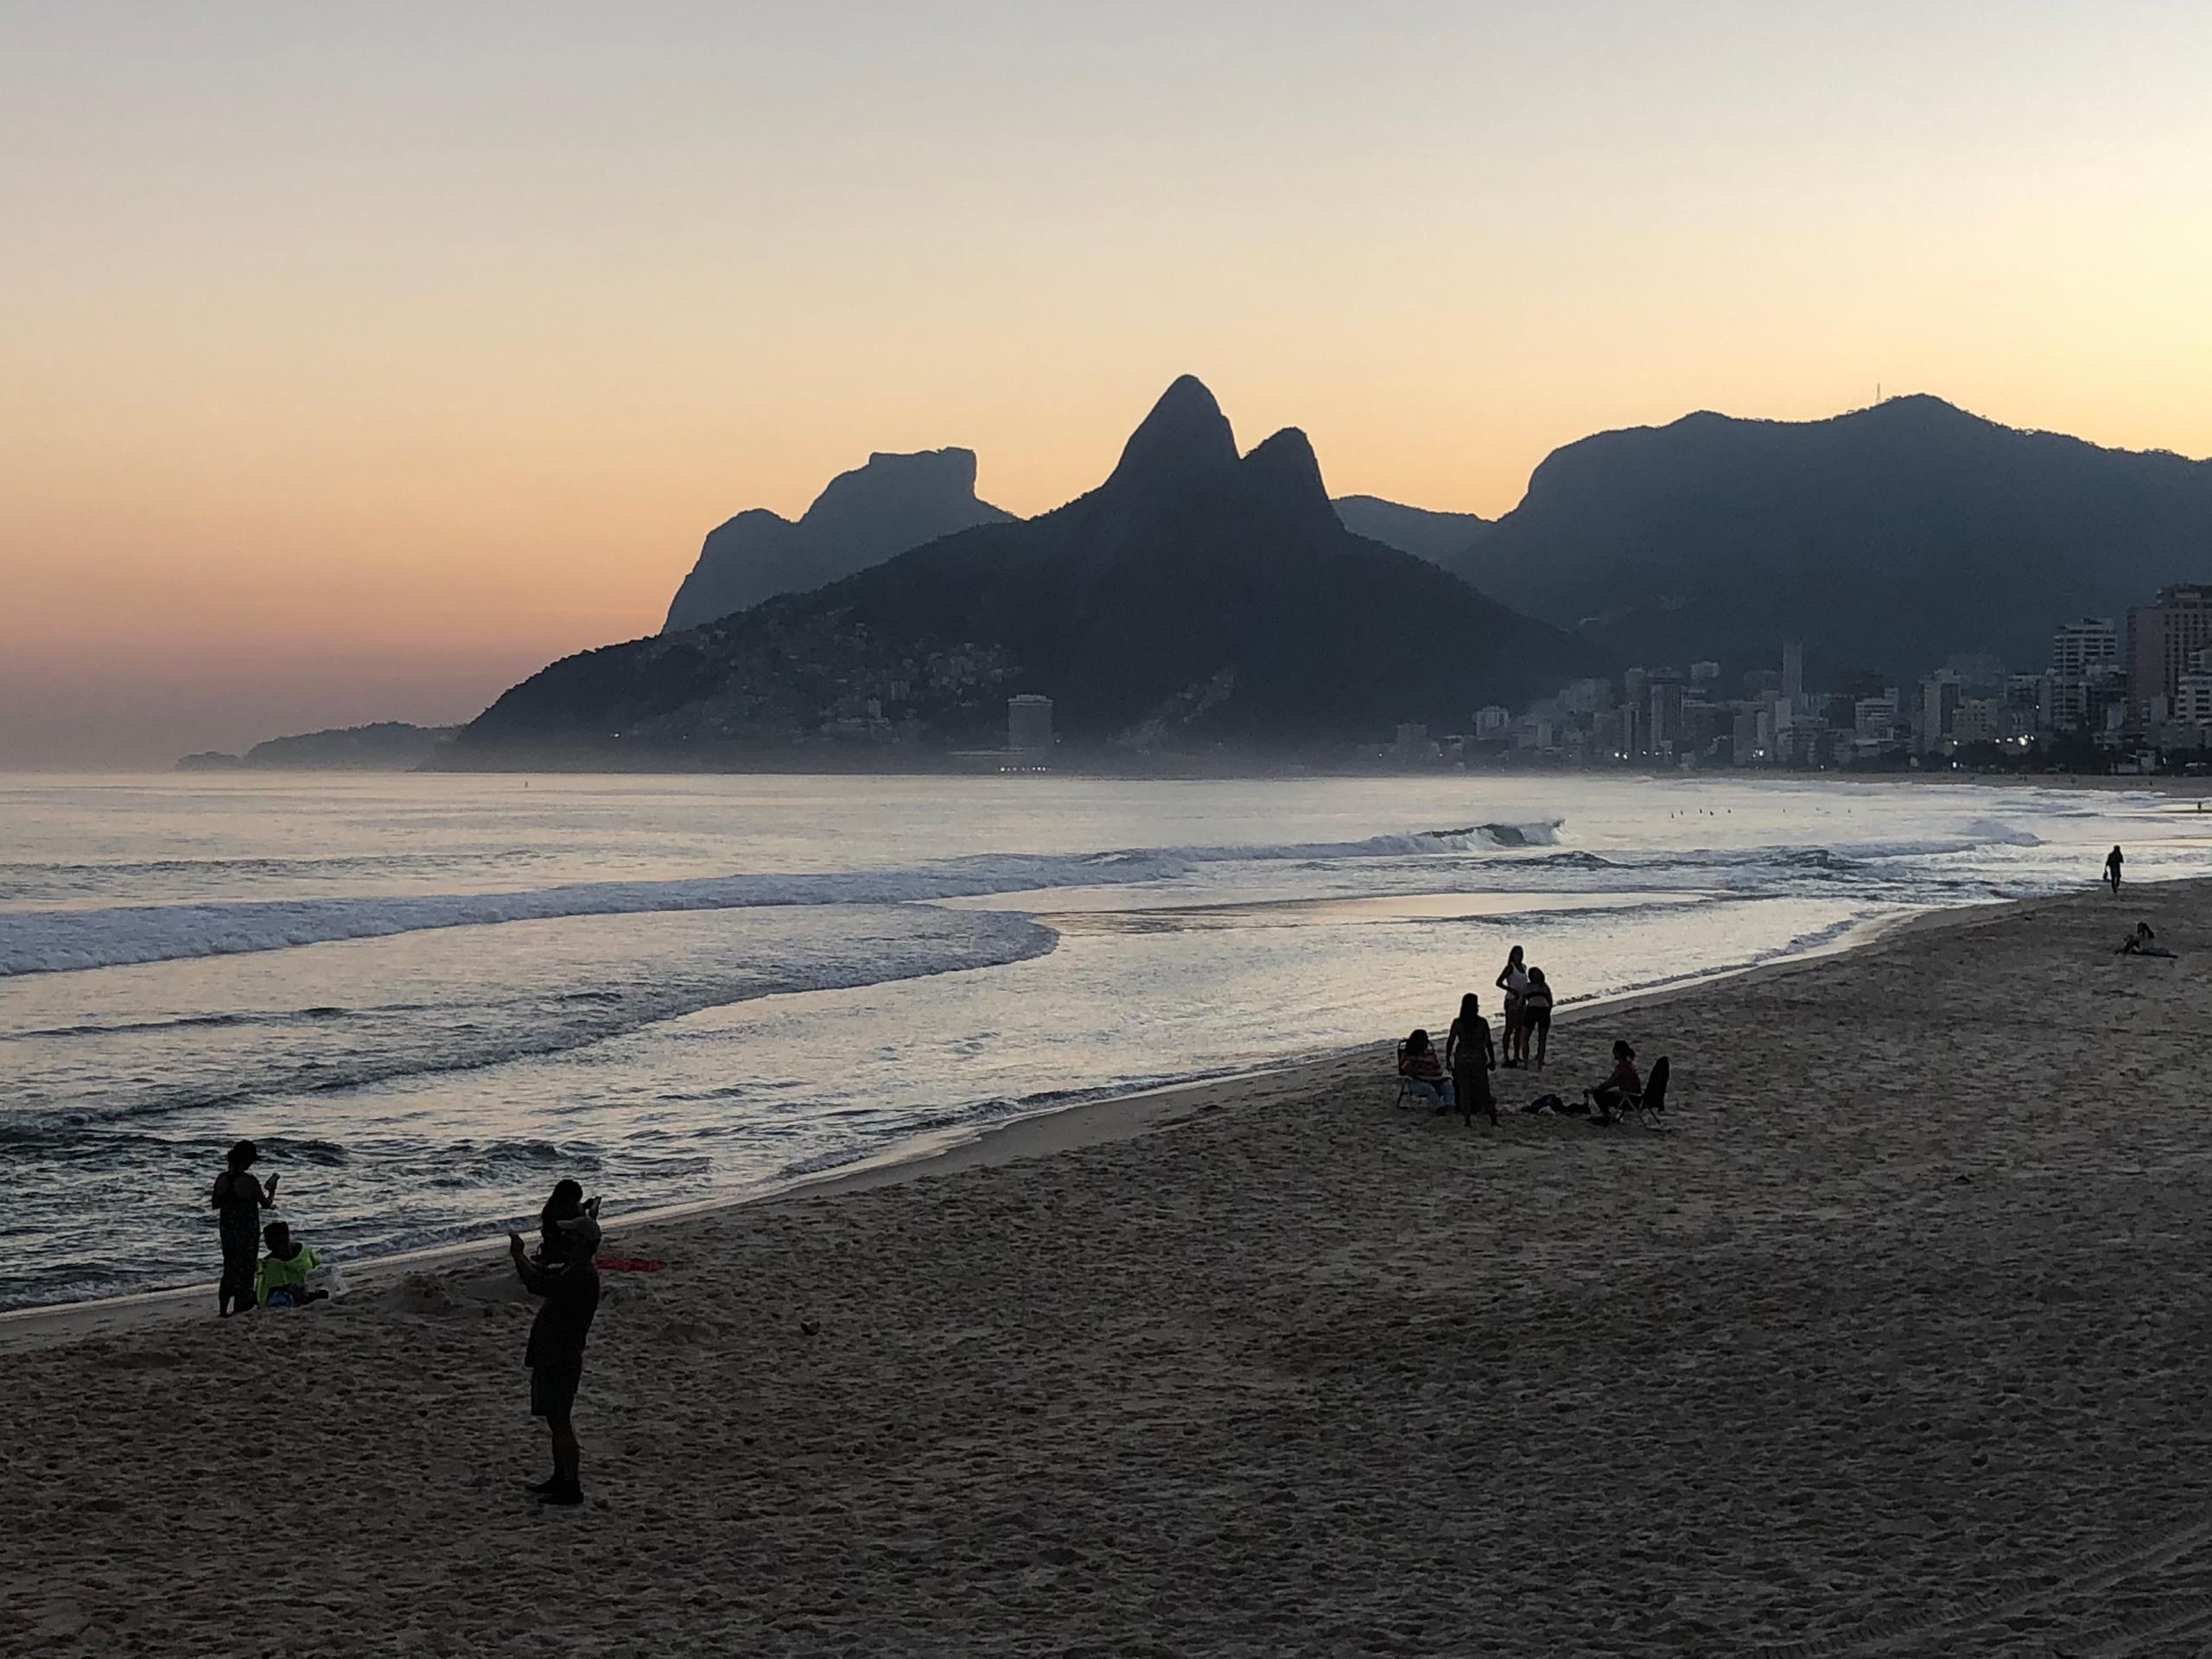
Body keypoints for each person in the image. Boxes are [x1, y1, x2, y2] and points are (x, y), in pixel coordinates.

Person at [510, 1202, 603, 1507]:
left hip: (560, 1357)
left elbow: (538, 1284)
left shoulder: (581, 1276)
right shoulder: (577, 1271)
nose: (564, 1242)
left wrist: (518, 1256)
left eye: (571, 1238)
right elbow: (547, 1278)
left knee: (561, 1420)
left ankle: (570, 1484)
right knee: (555, 1419)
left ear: (581, 1243)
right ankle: (560, 1477)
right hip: (556, 1355)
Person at [211, 1141, 277, 1318]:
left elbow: (215, 1203)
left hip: (227, 1230)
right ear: (246, 1160)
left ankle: (223, 1309)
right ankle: (242, 1305)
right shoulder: (250, 1181)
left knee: (230, 1267)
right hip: (247, 1230)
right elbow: (266, 1204)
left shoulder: (222, 1179)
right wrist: (272, 1190)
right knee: (246, 1268)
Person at [1445, 993, 1497, 1125]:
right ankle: (1493, 1119)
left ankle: (1467, 1120)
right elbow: (1488, 1042)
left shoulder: (1458, 1023)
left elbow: (1450, 1041)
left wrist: (1447, 1058)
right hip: (1478, 1057)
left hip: (1462, 1057)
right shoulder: (1481, 1022)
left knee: (1465, 1090)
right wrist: (1492, 1059)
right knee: (1484, 1089)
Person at [255, 1220, 328, 1309]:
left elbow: (268, 1287)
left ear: (275, 1240)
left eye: (267, 1239)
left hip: (286, 1296)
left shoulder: (270, 1263)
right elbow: (317, 1266)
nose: (265, 1242)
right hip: (308, 1289)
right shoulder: (304, 1250)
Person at [1396, 1028, 1456, 1113]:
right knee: (1428, 1088)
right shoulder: (1408, 1055)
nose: (1427, 1042)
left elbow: (1437, 1068)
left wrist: (1434, 1074)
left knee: (1448, 1086)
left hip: (1433, 1078)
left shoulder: (1429, 1054)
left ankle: (1450, 1105)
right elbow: (1404, 1071)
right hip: (1416, 1080)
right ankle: (1439, 1107)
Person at [1586, 1040, 1642, 1125]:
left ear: (1618, 1052)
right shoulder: (1629, 1065)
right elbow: (1614, 1082)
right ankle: (1608, 1116)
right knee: (1605, 1093)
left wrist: (1594, 1090)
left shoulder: (1621, 1067)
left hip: (1629, 1099)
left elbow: (1609, 1084)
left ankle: (1607, 1116)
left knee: (1598, 1094)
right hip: (1637, 1098)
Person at [1494, 946, 1529, 1068]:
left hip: (1522, 1001)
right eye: (1516, 954)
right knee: (1509, 1029)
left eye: (1520, 954)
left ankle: (1516, 1055)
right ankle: (1506, 1055)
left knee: (1519, 1030)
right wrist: (1511, 990)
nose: (1519, 956)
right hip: (1511, 1000)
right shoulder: (1510, 968)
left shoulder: (1524, 968)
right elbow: (1498, 982)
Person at [1521, 968, 1555, 1071]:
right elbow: (1550, 1001)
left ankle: (1526, 1064)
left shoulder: (1527, 987)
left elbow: (1521, 1002)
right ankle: (1539, 1065)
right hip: (1544, 1010)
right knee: (1542, 1040)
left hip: (1532, 1010)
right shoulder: (1544, 987)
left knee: (1525, 1038)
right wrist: (1548, 1012)